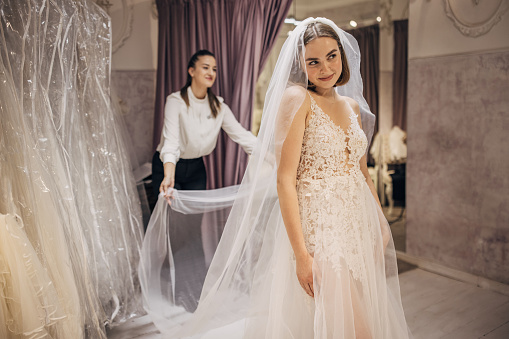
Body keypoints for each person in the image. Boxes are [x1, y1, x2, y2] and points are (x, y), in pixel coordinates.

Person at [140, 17, 411, 338]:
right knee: (354, 326)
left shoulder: (352, 107)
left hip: (354, 224)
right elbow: (285, 180)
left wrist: (379, 222)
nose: (325, 68)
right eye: (313, 61)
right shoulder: (297, 99)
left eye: (332, 56)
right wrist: (302, 256)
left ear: (343, 54)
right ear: (300, 63)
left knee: (350, 315)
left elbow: (362, 172)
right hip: (321, 230)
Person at [152, 49, 256, 197]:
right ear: (191, 71)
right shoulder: (175, 102)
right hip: (168, 165)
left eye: (214, 69)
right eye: (205, 67)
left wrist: (274, 159)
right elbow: (171, 143)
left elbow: (243, 136)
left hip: (196, 168)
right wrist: (168, 176)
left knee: (193, 219)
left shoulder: (219, 106)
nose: (211, 73)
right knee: (169, 217)